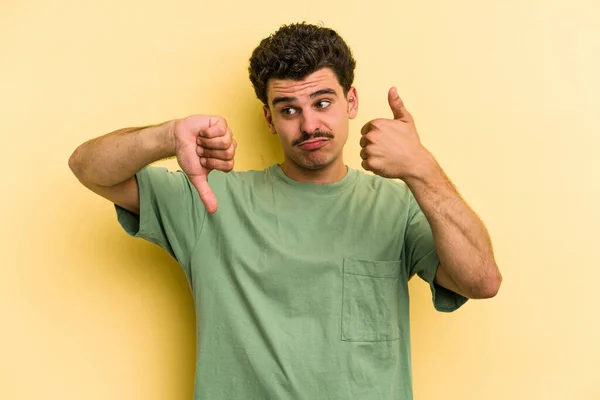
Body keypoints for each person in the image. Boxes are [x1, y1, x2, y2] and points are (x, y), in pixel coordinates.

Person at [69, 22, 502, 400]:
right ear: (269, 119)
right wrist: (165, 136)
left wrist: (421, 168)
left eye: (323, 102)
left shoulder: (398, 204)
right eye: (289, 109)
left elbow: (481, 280)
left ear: (351, 102)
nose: (309, 124)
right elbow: (88, 168)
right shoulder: (210, 199)